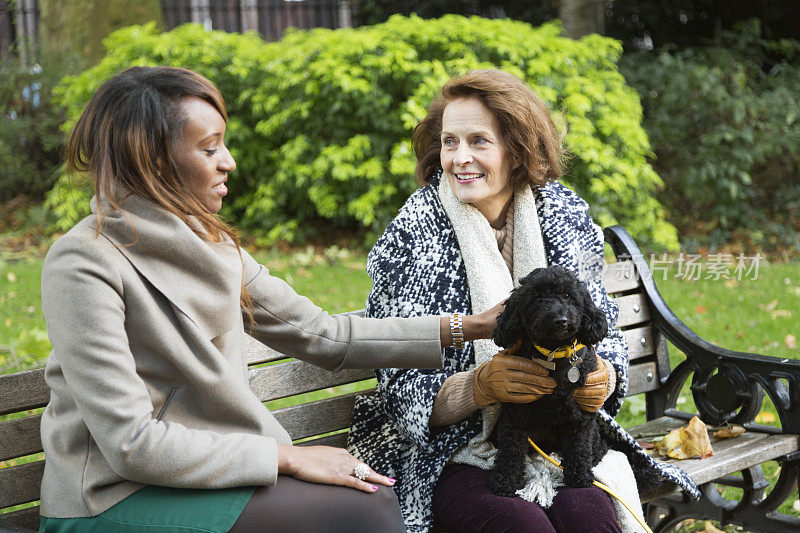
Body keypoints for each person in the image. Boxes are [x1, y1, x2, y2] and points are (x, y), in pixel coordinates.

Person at [36, 66, 516, 533]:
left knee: (367, 501)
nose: (229, 161)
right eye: (209, 148)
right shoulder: (83, 263)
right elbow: (131, 444)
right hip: (114, 497)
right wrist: (289, 457)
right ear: (155, 161)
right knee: (361, 511)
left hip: (212, 477)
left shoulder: (213, 247)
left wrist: (471, 326)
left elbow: (324, 334)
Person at [347, 69, 698, 533]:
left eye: (479, 141)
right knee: (521, 524)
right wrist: (477, 387)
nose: (460, 158)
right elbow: (393, 372)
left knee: (589, 518)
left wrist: (603, 376)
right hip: (454, 451)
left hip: (563, 437)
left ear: (517, 150)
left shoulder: (565, 214)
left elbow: (604, 327)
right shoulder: (412, 234)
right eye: (449, 142)